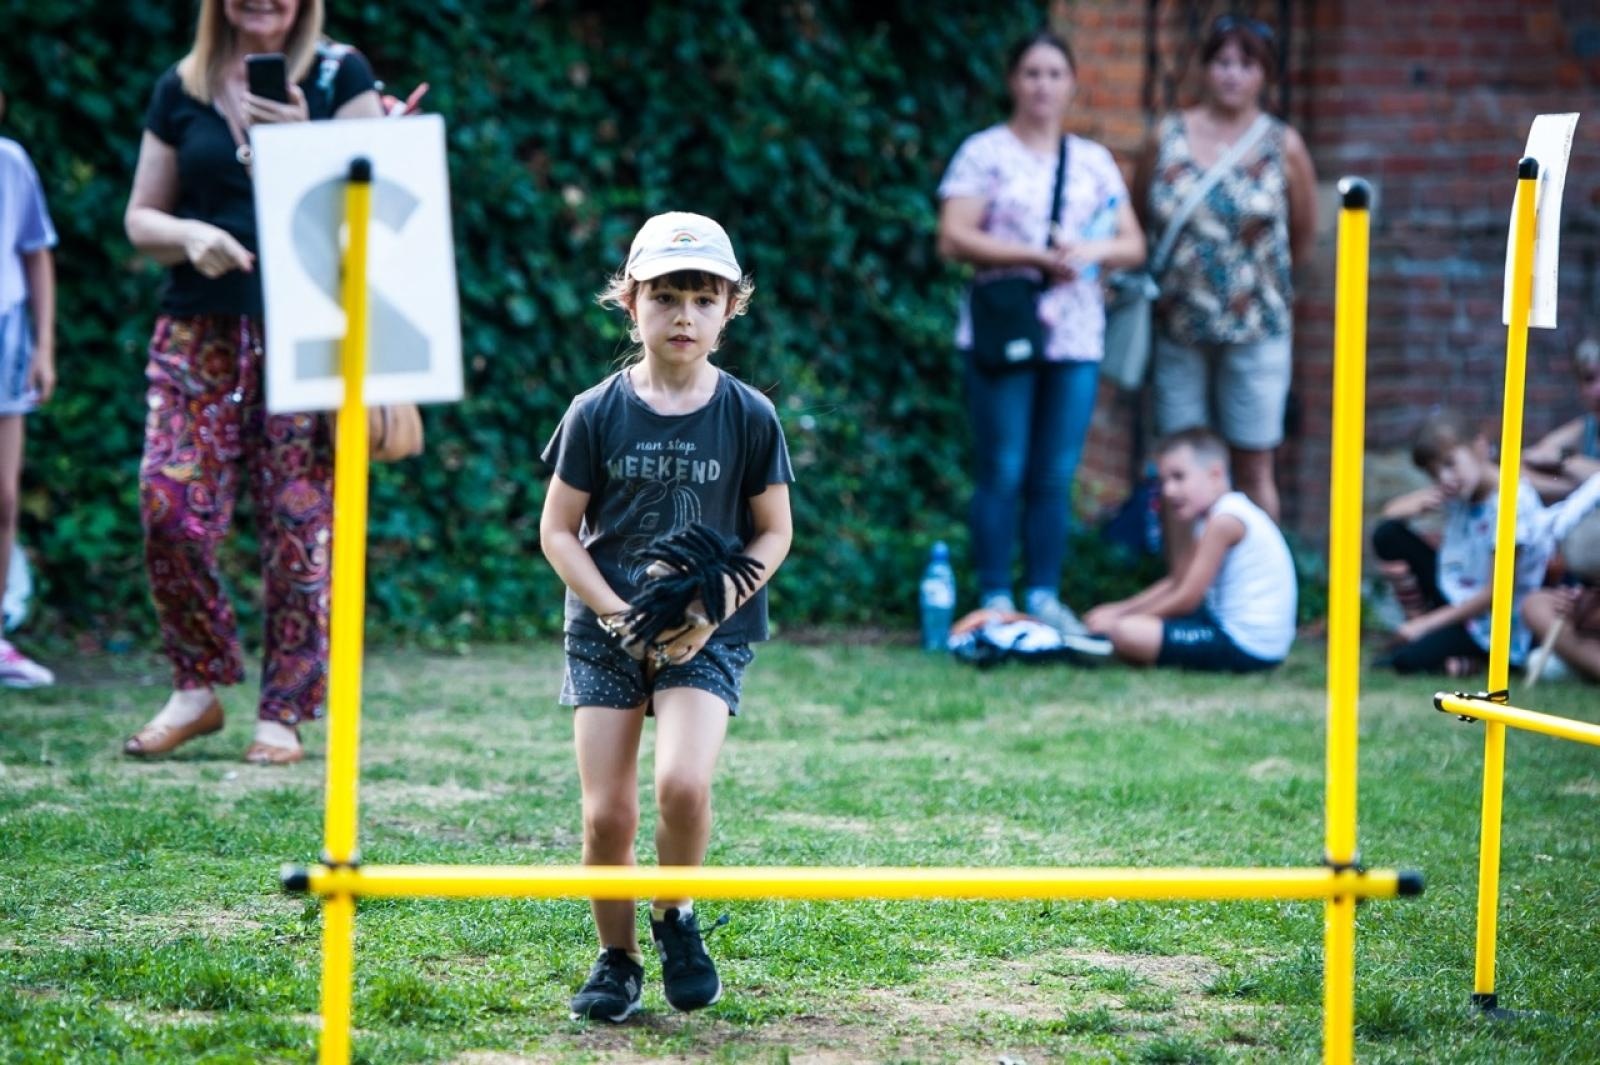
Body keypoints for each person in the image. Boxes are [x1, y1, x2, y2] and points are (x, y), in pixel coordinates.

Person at [540, 212, 794, 1023]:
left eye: (704, 298)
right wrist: (616, 613)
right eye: (665, 296)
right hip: (607, 630)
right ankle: (616, 958)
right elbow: (557, 531)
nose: (685, 315)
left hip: (705, 629)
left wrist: (712, 612)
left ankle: (674, 912)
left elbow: (775, 531)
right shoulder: (596, 410)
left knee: (682, 784)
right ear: (631, 302)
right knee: (607, 815)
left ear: (730, 310)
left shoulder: (749, 414)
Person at [121, 0, 382, 764]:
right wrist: (188, 234)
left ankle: (284, 713)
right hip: (197, 330)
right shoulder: (182, 85)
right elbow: (140, 217)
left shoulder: (341, 75)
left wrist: (305, 148)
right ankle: (196, 685)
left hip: (309, 332)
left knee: (300, 528)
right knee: (167, 505)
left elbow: (384, 208)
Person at [936, 29, 1146, 634]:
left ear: (1072, 84)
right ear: (1012, 81)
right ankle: (996, 596)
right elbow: (953, 236)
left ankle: (1045, 595)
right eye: (1032, 73)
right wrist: (1032, 255)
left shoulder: (1093, 161)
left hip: (1075, 334)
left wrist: (1088, 250)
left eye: (1055, 74)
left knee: (1055, 473)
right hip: (1005, 327)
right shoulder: (985, 152)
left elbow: (1132, 244)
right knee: (1002, 466)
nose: (1043, 85)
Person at [1134, 15, 1317, 525]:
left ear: (1265, 75)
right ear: (1204, 68)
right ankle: (1186, 572)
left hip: (1256, 327)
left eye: (1246, 64)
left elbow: (1303, 233)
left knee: (1253, 463)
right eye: (1222, 62)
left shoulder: (1282, 145)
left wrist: (1255, 283)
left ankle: (1257, 573)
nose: (1233, 74)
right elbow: (1140, 213)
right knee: (1178, 464)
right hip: (1178, 324)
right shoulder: (1166, 136)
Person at [1082, 428, 1295, 671]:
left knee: (1127, 633)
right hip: (1224, 627)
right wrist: (1118, 610)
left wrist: (1121, 620)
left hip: (1247, 645)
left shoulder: (1225, 520)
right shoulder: (1213, 516)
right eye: (1163, 481)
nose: (1168, 491)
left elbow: (1187, 599)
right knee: (1126, 628)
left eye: (1179, 477)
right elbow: (1177, 580)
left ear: (1215, 474)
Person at [1372, 410, 1551, 676]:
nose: (1445, 478)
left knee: (1405, 661)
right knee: (1388, 533)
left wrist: (1425, 625)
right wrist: (1420, 504)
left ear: (1480, 446)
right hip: (1455, 594)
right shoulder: (1461, 492)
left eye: (1450, 464)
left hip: (1490, 620)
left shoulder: (1511, 503)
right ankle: (1427, 631)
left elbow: (1495, 594)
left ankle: (1473, 659)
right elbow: (1389, 515)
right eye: (1435, 474)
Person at [0, 89, 57, 688]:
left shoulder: (11, 162)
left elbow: (35, 253)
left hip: (6, 338)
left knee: (4, 497)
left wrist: (44, 348)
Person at [1523, 338, 1600, 503]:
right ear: (1580, 387)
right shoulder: (1586, 427)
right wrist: (1580, 487)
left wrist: (1563, 460)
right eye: (1589, 379)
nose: (1598, 389)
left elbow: (1552, 456)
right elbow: (1523, 463)